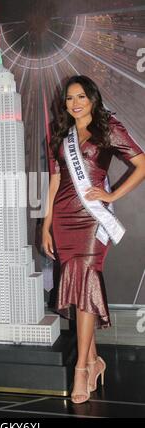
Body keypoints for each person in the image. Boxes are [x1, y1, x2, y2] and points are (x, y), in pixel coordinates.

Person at [42, 75, 145, 404]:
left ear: (93, 99)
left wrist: (111, 195)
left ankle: (81, 372)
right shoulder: (60, 134)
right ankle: (93, 360)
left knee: (85, 280)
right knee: (77, 289)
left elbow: (141, 165)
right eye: (69, 98)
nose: (74, 103)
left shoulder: (108, 128)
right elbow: (55, 181)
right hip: (63, 218)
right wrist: (45, 224)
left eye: (81, 97)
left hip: (91, 220)